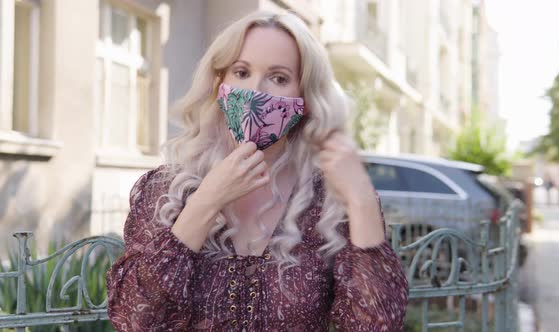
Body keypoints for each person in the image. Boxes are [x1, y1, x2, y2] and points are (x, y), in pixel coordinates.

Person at [106, 10, 409, 331]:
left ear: (303, 99)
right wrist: (206, 201)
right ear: (219, 83)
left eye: (279, 78)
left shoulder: (332, 202)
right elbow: (137, 320)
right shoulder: (167, 190)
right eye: (241, 71)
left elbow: (376, 325)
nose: (256, 91)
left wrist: (360, 199)